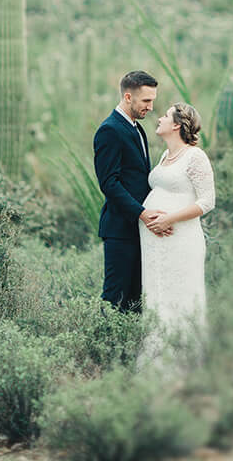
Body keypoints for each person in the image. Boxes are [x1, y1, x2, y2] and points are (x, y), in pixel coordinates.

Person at [139, 102, 216, 371]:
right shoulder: (164, 156)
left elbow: (207, 202)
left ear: (176, 125)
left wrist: (168, 219)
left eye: (165, 115)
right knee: (158, 295)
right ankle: (157, 364)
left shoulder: (195, 157)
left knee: (181, 297)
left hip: (181, 240)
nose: (158, 117)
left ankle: (185, 365)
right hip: (155, 243)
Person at [95, 70, 167, 311]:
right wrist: (142, 213)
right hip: (120, 229)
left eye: (153, 100)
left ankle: (129, 346)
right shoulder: (110, 130)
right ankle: (105, 346)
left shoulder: (136, 128)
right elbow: (109, 183)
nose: (151, 106)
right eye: (146, 101)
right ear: (128, 97)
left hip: (137, 229)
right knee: (115, 297)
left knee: (136, 299)